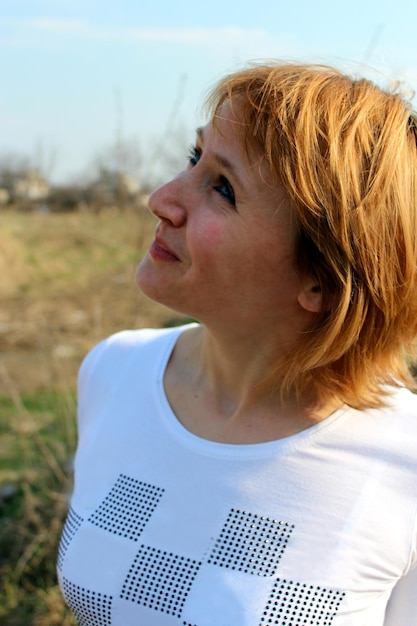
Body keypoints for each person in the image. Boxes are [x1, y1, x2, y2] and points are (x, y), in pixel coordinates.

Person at [57, 61, 417, 625]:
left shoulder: (404, 464)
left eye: (222, 188)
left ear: (323, 280)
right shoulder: (114, 371)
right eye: (193, 158)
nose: (161, 199)